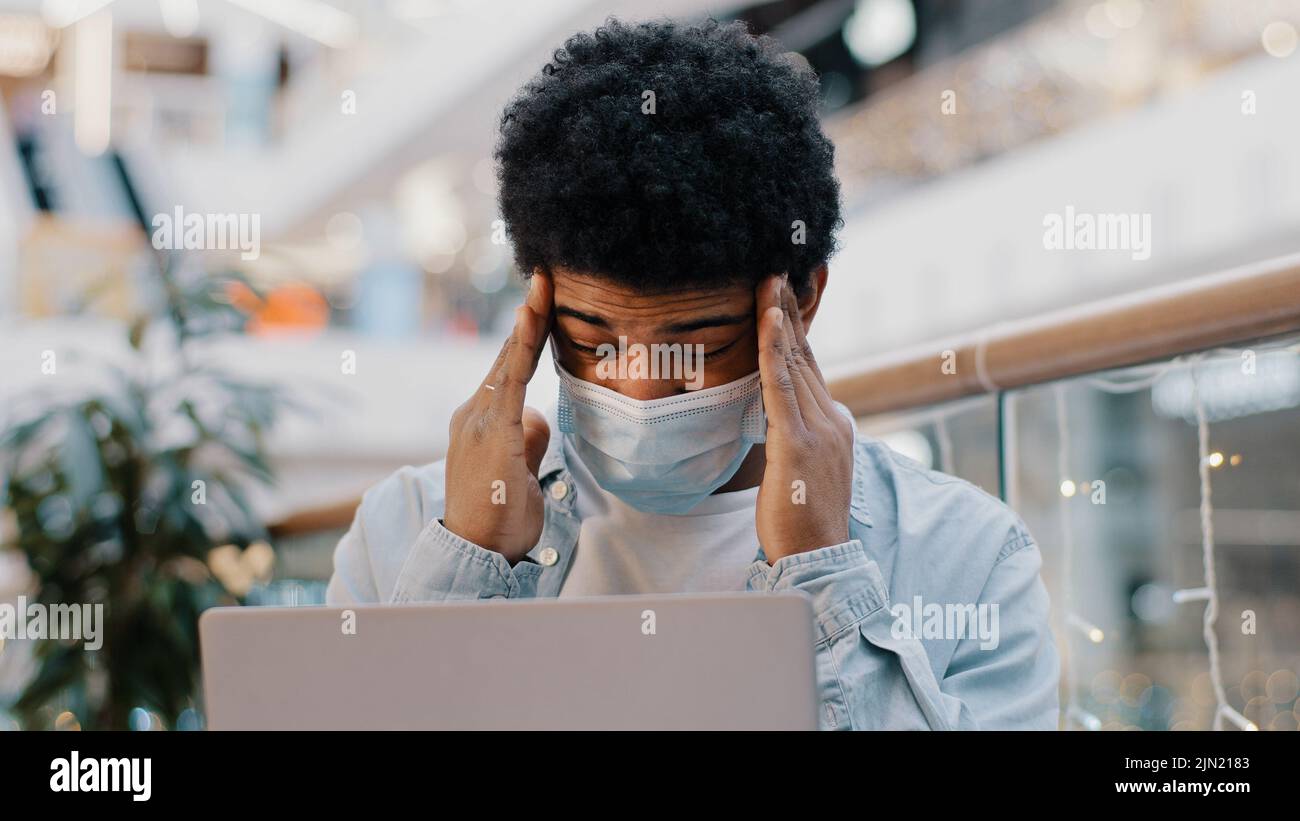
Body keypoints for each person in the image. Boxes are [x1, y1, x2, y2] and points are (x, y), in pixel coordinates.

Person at [327, 17, 1059, 730]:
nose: (641, 388)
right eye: (593, 339)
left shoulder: (967, 555)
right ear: (539, 308)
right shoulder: (408, 531)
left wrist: (822, 570)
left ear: (801, 301)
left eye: (699, 344)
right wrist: (470, 566)